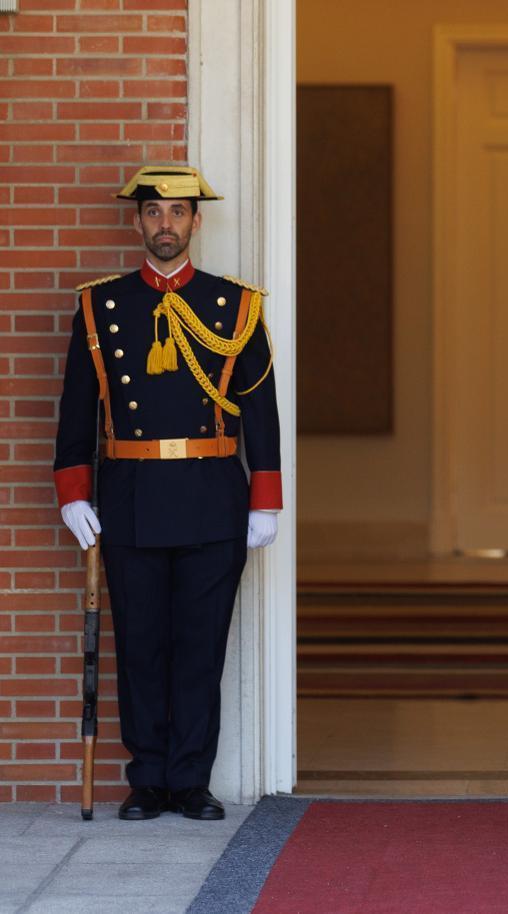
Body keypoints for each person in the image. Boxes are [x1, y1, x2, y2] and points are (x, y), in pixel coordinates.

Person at [53, 165, 282, 821]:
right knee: (141, 647)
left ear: (195, 223)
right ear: (137, 222)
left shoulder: (235, 307)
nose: (165, 225)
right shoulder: (99, 306)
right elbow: (76, 411)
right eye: (153, 213)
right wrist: (74, 490)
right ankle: (148, 778)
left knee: (200, 648)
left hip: (212, 498)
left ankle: (190, 781)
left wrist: (263, 497)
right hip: (128, 496)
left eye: (177, 213)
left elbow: (259, 409)